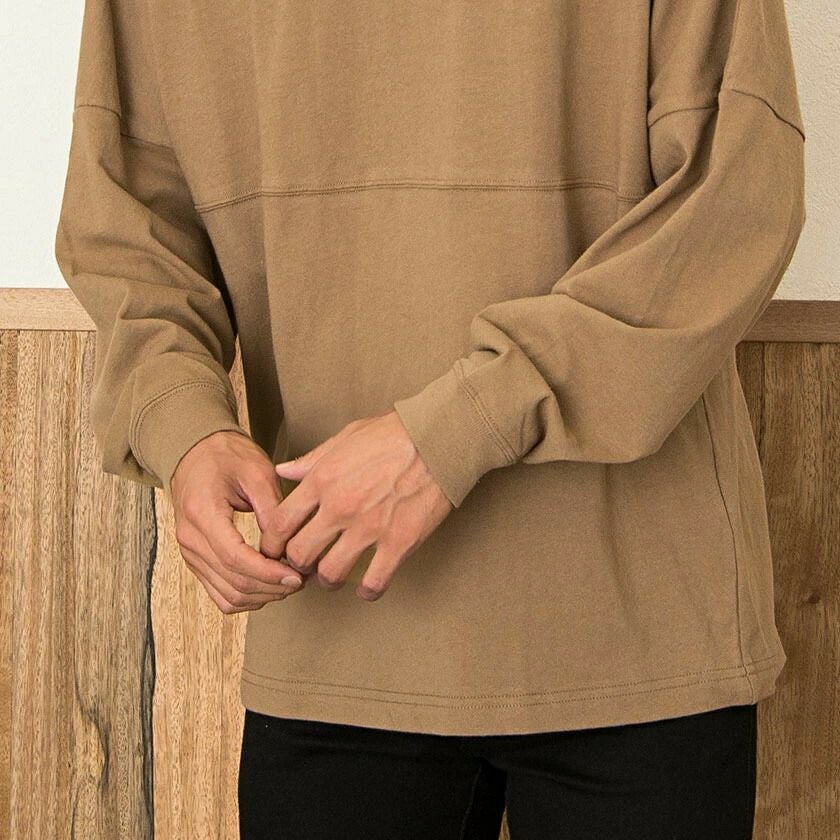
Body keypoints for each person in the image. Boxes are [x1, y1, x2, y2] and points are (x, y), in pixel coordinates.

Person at [54, 0, 806, 837]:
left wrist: (450, 433)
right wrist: (186, 429)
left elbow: (735, 195)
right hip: (340, 629)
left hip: (632, 634)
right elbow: (131, 236)